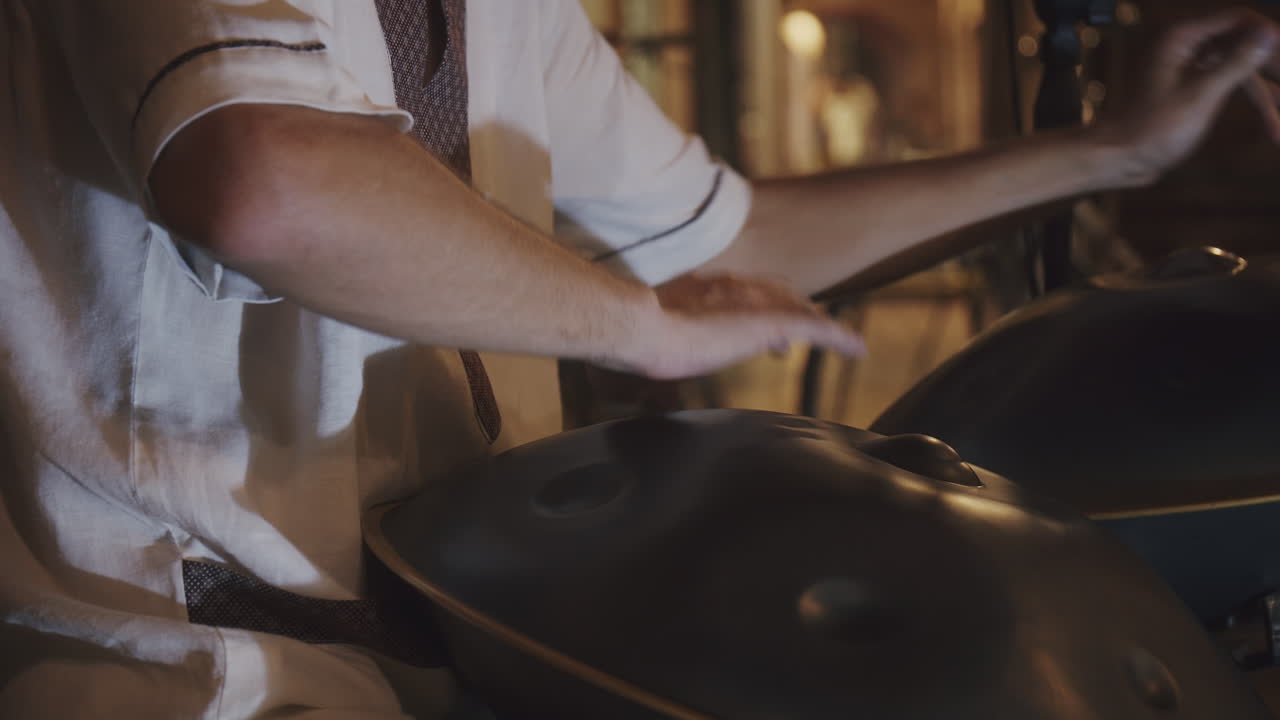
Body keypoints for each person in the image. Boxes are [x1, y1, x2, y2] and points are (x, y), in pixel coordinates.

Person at [1, 1, 1275, 717]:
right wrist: (637, 327)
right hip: (195, 682)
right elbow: (266, 180)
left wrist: (1116, 151)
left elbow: (720, 238)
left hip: (463, 662)